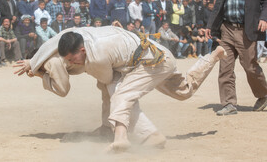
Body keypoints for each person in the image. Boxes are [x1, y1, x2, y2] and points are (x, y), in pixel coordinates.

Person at [55, 26, 226, 152]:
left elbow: (108, 80)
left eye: (72, 59)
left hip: (151, 61)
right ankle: (213, 56)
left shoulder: (97, 57)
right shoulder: (87, 38)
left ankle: (127, 137)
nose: (71, 63)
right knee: (184, 91)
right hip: (159, 54)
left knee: (120, 92)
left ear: (82, 49)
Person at [206, 0, 267, 115]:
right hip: (226, 28)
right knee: (225, 68)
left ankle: (263, 95)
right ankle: (228, 103)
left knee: (250, 66)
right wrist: (210, 24)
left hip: (247, 30)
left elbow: (266, 0)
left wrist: (264, 18)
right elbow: (220, 1)